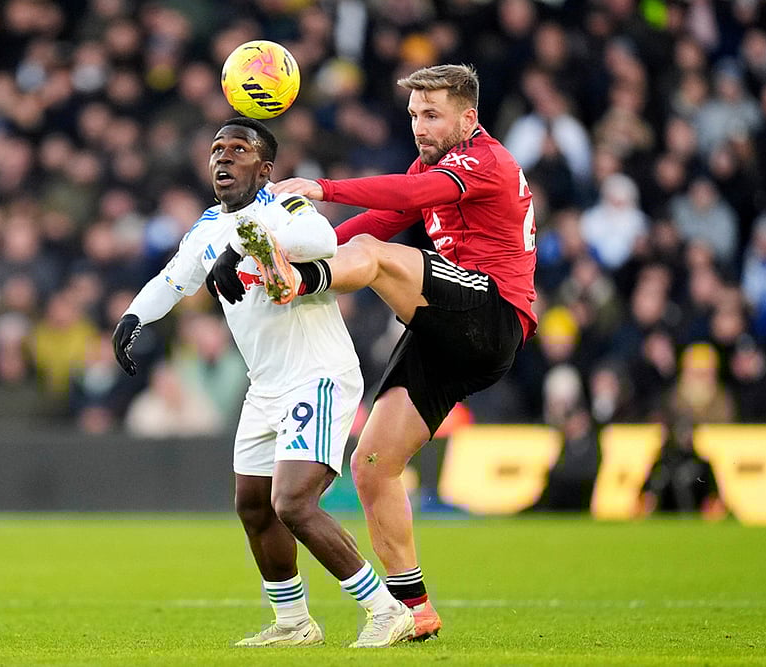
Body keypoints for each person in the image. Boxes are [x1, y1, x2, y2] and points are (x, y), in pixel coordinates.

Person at [225, 64, 539, 640]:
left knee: (376, 253)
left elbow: (410, 196)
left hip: (493, 314)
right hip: (446, 332)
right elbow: (391, 214)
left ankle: (296, 285)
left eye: (432, 114)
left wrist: (325, 191)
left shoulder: (485, 160)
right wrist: (297, 247)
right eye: (415, 114)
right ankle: (414, 611)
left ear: (468, 117)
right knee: (372, 468)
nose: (420, 125)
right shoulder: (435, 163)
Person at [112, 118, 416, 648]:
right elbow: (172, 280)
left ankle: (387, 610)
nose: (223, 159)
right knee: (252, 503)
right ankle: (294, 623)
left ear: (265, 168)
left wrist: (250, 245)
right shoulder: (206, 228)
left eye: (238, 150)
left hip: (317, 376)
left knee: (293, 502)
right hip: (266, 385)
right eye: (216, 150)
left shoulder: (284, 206)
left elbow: (321, 238)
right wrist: (133, 319)